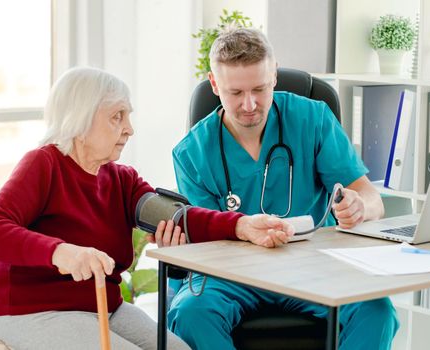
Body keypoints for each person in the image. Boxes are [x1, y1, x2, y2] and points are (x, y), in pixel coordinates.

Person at [0, 67, 296, 350]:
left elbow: (177, 217)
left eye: (128, 116)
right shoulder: (44, 164)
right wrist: (63, 253)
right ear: (81, 119)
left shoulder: (121, 178)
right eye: (117, 117)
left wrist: (241, 226)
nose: (129, 128)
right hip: (31, 312)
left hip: (104, 307)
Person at [168, 28, 399, 350]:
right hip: (232, 275)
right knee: (190, 313)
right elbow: (204, 235)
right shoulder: (192, 151)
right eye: (235, 93)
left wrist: (361, 206)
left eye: (260, 89)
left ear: (274, 75)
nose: (249, 104)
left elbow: (371, 197)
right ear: (214, 84)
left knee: (376, 311)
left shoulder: (312, 118)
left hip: (313, 265)